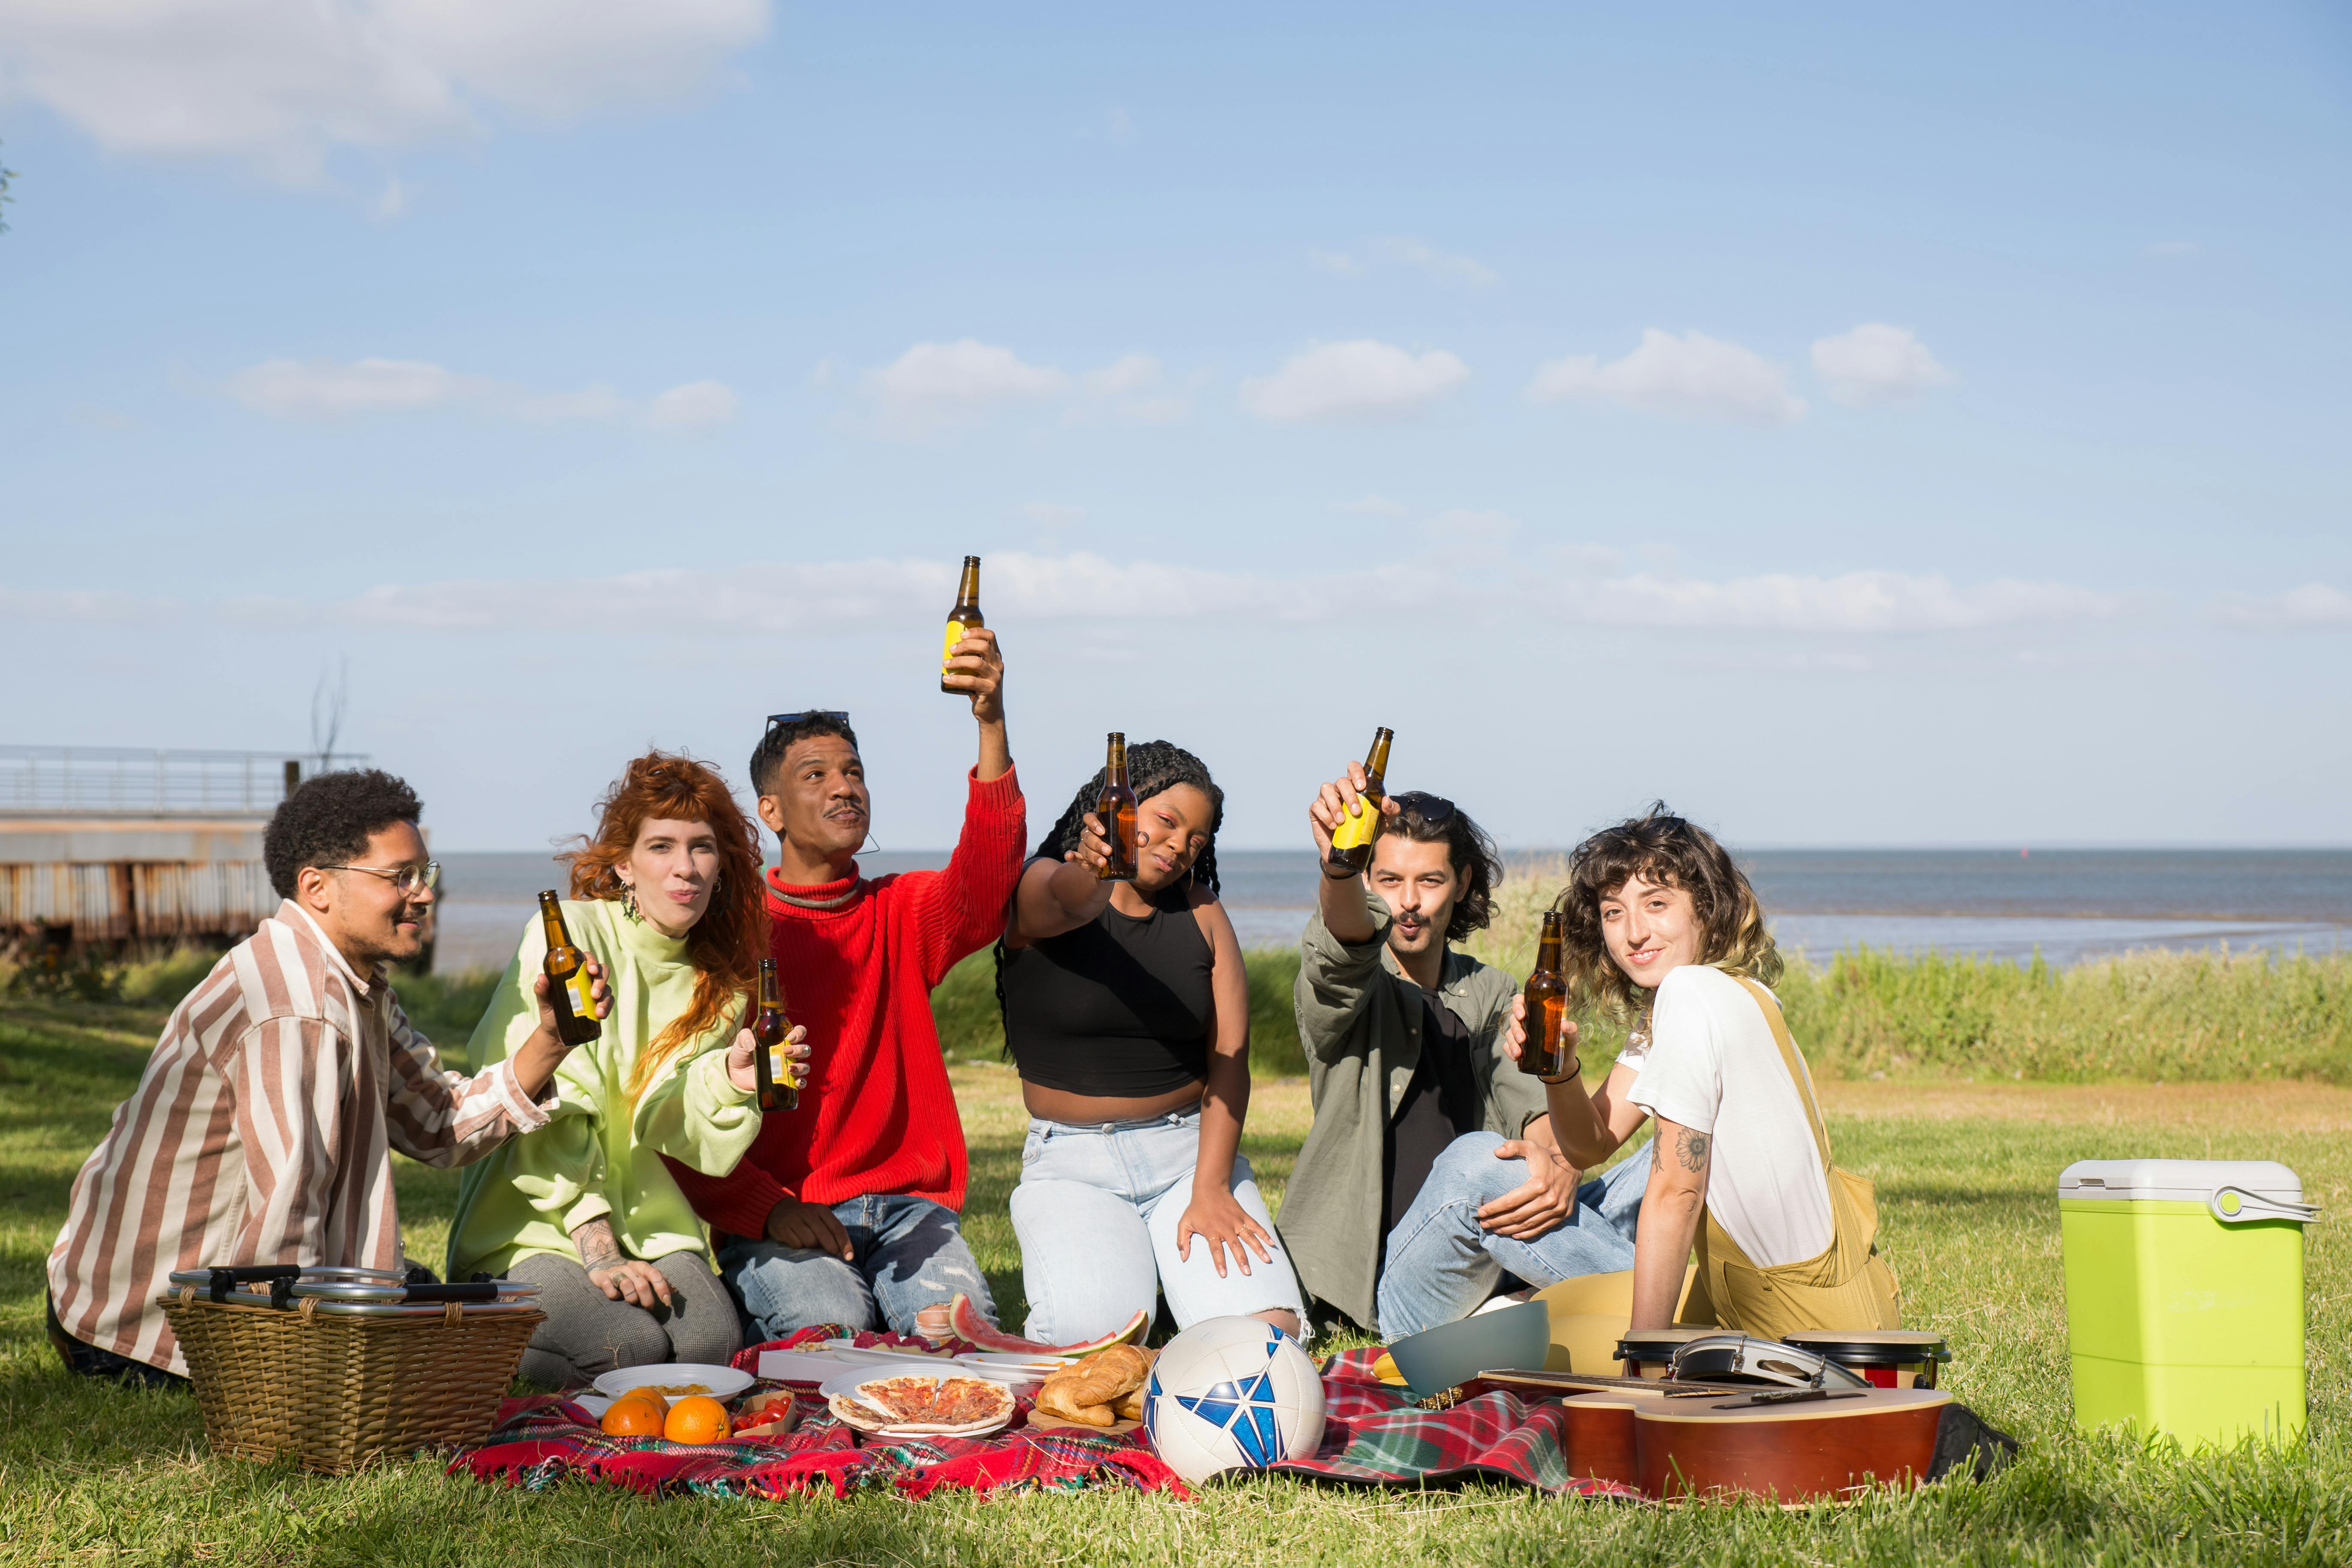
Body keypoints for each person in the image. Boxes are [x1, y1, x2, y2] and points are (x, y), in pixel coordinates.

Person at [45, 770, 608, 1384]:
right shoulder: (299, 1006)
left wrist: (551, 1036)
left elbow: (438, 1123)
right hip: (149, 1328)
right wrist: (308, 1374)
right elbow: (286, 1216)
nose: (423, 894)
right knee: (444, 1335)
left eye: (426, 873)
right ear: (317, 886)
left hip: (196, 1288)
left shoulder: (346, 980)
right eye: (401, 876)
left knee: (431, 1299)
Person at [665, 626, 1024, 1343]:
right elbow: (682, 1103)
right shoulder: (727, 934)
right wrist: (762, 1208)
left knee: (958, 1341)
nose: (844, 787)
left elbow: (986, 882)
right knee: (829, 1335)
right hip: (783, 1207)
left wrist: (989, 719)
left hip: (909, 1207)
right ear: (769, 812)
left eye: (853, 772)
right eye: (816, 775)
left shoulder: (901, 910)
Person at [446, 752, 812, 1389]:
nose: (685, 866)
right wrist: (599, 1247)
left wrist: (731, 1077)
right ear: (624, 864)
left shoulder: (718, 981)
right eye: (662, 845)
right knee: (628, 1347)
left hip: (647, 1216)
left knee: (711, 1342)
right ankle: (475, 1325)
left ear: (721, 865)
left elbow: (672, 1122)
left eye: (702, 847)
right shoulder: (570, 934)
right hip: (537, 1216)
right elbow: (545, 1104)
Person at [1277, 764, 1650, 1339]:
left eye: (1428, 881)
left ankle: (1544, 1297)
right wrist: (1336, 865)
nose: (1407, 902)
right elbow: (1342, 949)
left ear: (1460, 881)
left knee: (1679, 1149)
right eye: (1386, 879)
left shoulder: (1492, 990)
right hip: (1402, 1281)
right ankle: (1666, 1315)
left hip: (1497, 1242)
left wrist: (1560, 1164)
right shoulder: (1345, 989)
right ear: (1364, 879)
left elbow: (1537, 1120)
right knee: (1477, 1159)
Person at [1502, 804, 1899, 1342]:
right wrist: (1560, 1071)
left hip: (1796, 1334)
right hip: (1813, 1309)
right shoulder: (1721, 993)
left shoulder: (1691, 996)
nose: (1634, 933)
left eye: (1657, 904)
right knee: (1549, 1306)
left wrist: (1645, 1362)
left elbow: (1677, 1195)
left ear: (1706, 909)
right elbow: (1588, 1146)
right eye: (1613, 912)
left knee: (1527, 1337)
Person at [998, 742, 1307, 1344]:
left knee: (1269, 1336)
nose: (1178, 845)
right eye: (1167, 821)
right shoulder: (1045, 886)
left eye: (1196, 838)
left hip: (1187, 1153)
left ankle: (1183, 1289)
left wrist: (1212, 1184)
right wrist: (1093, 867)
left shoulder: (1202, 911)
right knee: (1091, 1345)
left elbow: (1230, 1057)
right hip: (1072, 1165)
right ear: (1118, 806)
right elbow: (1073, 897)